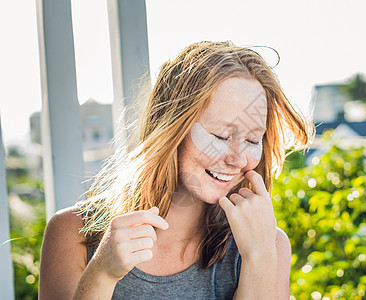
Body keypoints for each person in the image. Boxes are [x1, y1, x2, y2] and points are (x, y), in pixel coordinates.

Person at [38, 40, 313, 299]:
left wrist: (259, 258)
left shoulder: (270, 245)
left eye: (253, 141)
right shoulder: (72, 233)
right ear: (171, 129)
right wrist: (102, 274)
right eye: (219, 136)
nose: (239, 159)